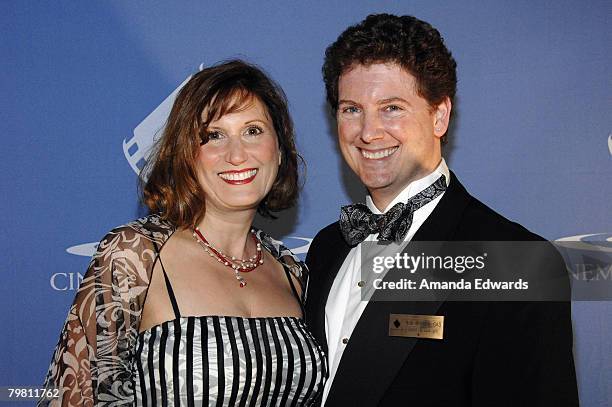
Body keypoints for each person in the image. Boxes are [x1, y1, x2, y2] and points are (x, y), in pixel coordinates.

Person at [305, 14, 578, 406]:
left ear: (439, 115)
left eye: (392, 108)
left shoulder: (516, 263)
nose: (368, 132)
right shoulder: (328, 247)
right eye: (351, 109)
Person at [40, 60, 327, 406]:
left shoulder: (291, 271)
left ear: (279, 151)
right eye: (213, 136)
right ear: (187, 155)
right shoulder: (134, 256)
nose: (237, 155)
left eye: (253, 131)